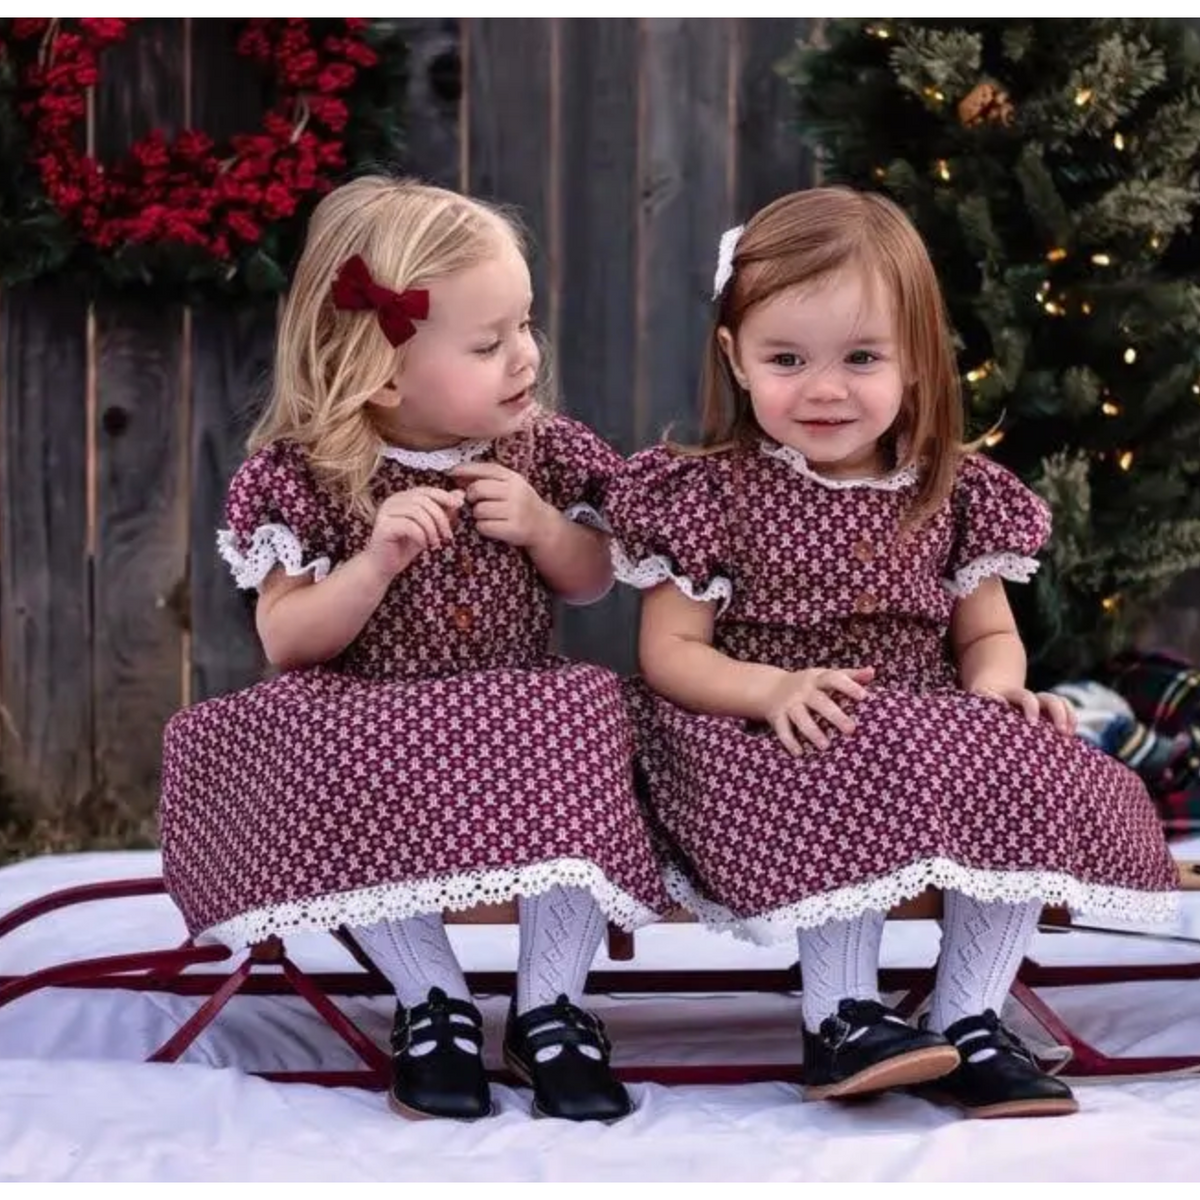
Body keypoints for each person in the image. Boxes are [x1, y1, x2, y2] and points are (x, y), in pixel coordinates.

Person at [602, 186, 1180, 1120]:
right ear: (734, 359)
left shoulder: (951, 491)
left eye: (862, 358)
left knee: (1027, 768)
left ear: (915, 361)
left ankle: (970, 1022)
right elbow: (671, 653)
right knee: (848, 762)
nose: (825, 389)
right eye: (787, 359)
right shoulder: (707, 495)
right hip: (762, 730)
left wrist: (998, 690)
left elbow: (987, 632)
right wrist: (771, 688)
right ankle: (843, 1019)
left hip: (918, 724)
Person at [159, 175, 669, 1125]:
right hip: (373, 711)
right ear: (382, 371)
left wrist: (547, 530)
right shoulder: (307, 472)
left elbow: (594, 577)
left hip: (512, 705)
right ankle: (429, 998)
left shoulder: (543, 451)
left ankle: (550, 1004)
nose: (525, 357)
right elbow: (286, 637)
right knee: (332, 754)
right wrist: (373, 563)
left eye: (525, 326)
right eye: (489, 343)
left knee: (589, 713)